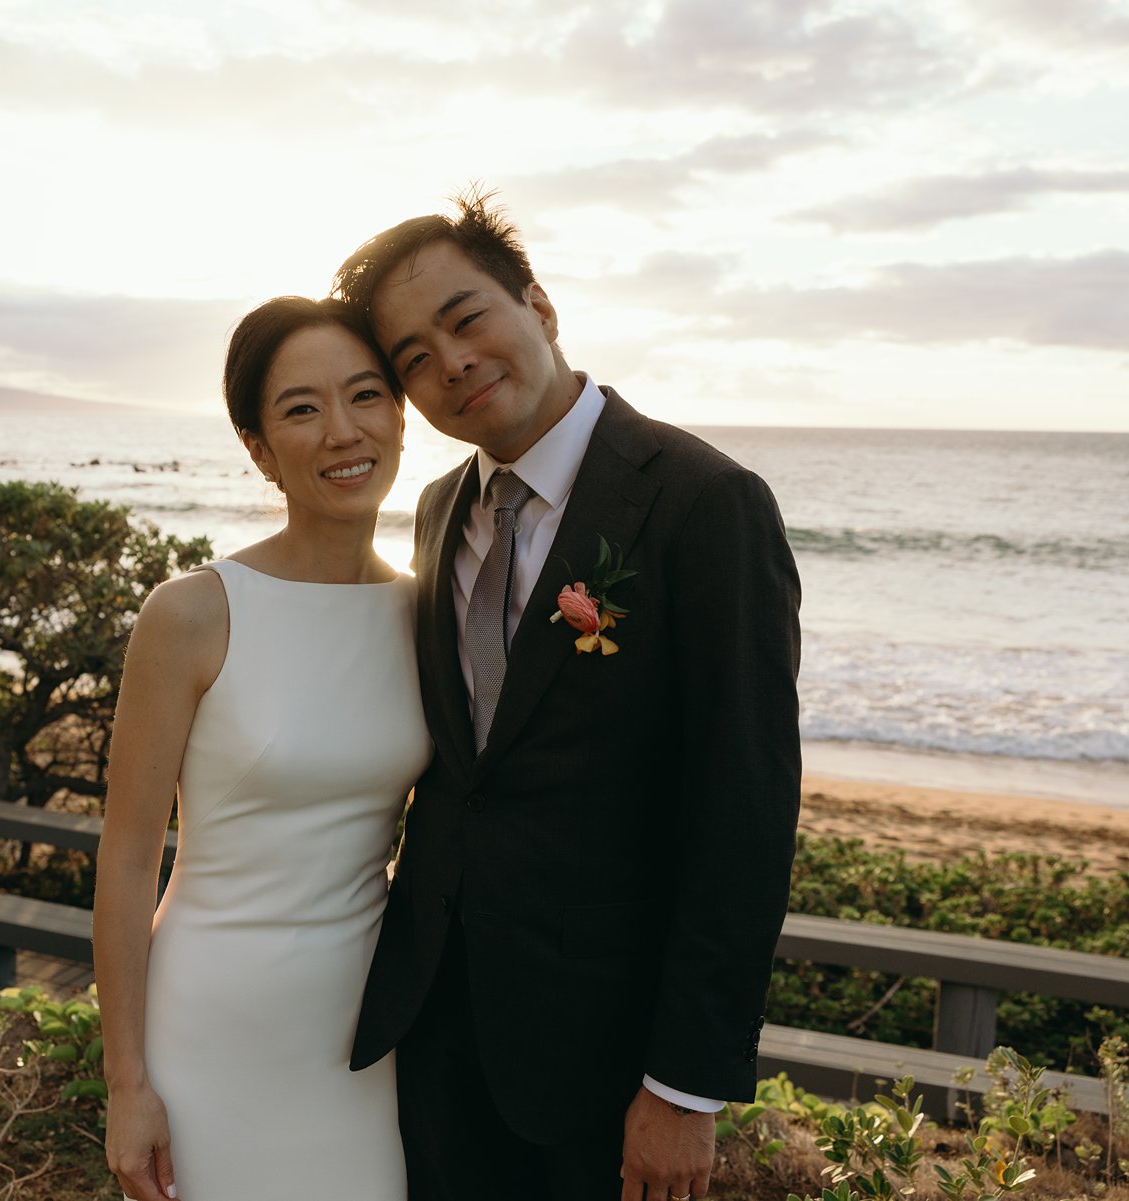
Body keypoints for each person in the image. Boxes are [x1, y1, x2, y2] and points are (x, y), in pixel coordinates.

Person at [332, 192, 802, 1201]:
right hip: (436, 1029)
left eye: (466, 319)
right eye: (413, 357)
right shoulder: (434, 510)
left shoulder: (704, 502)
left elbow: (745, 809)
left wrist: (684, 1086)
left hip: (606, 1055)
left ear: (537, 305)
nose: (450, 363)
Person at [92, 296, 432, 1201]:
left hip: (363, 1034)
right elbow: (126, 859)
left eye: (366, 395)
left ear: (402, 414)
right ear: (257, 446)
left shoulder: (426, 611)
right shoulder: (195, 611)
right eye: (301, 408)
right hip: (211, 1026)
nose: (342, 431)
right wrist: (128, 1083)